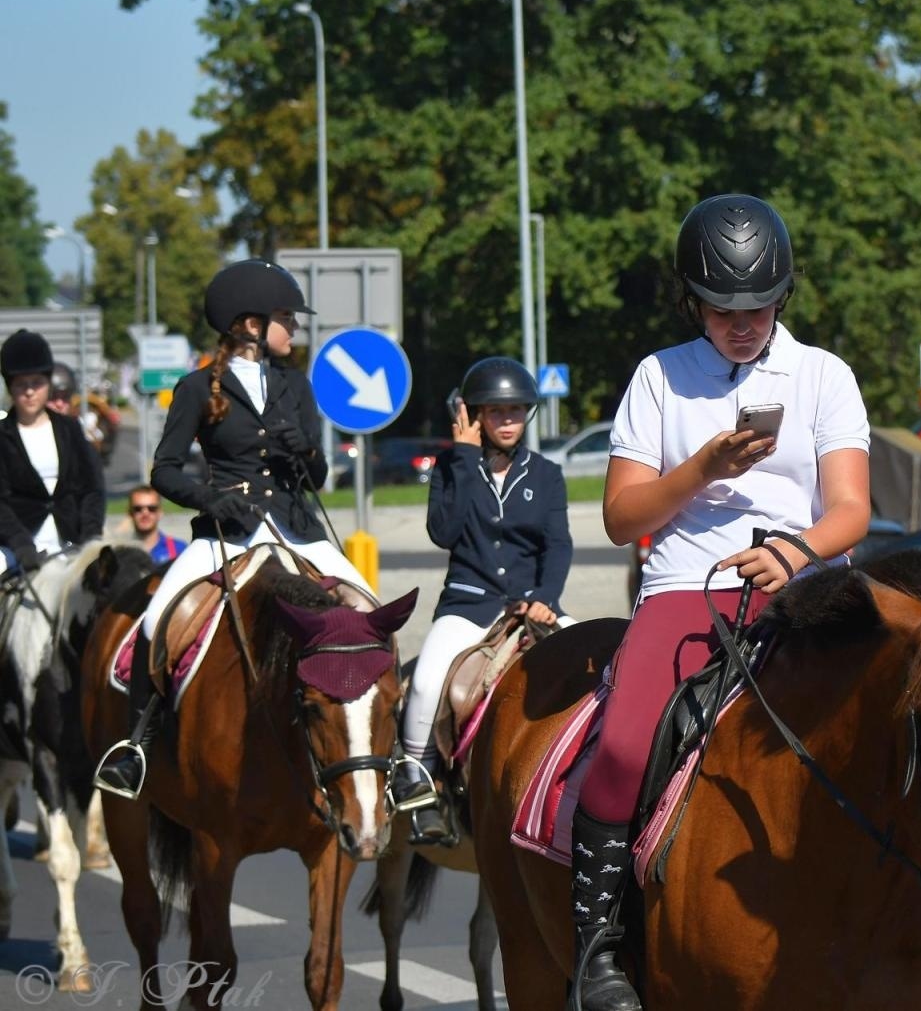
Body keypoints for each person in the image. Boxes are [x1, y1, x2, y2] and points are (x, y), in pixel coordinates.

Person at [566, 194, 870, 1011]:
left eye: (759, 306)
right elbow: (622, 515)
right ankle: (596, 948)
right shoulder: (658, 376)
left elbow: (850, 508)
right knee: (626, 747)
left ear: (784, 296)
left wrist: (793, 552)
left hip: (806, 584)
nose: (743, 323)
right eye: (724, 309)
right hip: (688, 585)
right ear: (691, 302)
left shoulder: (823, 375)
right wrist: (705, 467)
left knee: (914, 710)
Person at [94, 258, 377, 800]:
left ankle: (388, 757)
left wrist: (307, 448)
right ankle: (137, 746)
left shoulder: (297, 386)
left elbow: (317, 477)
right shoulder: (197, 387)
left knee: (369, 610)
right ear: (250, 325)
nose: (294, 327)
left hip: (296, 530)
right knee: (159, 619)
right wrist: (213, 501)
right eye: (285, 317)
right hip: (229, 532)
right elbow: (165, 471)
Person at [392, 356, 574, 843]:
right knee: (428, 680)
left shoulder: (547, 474)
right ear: (474, 416)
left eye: (516, 411)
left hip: (533, 604)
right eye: (497, 412)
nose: (509, 420)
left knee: (592, 662)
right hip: (468, 606)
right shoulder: (452, 469)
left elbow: (558, 545)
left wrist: (545, 597)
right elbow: (444, 531)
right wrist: (465, 458)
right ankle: (416, 778)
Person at [0, 331, 105, 575]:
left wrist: (90, 538)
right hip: (15, 547)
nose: (29, 392)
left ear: (47, 384)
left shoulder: (71, 429)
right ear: (10, 387)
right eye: (21, 384)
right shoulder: (2, 436)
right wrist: (21, 545)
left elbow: (92, 489)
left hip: (70, 539)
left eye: (36, 383)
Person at [126, 484, 186, 566]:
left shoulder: (178, 549)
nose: (145, 513)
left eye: (151, 509)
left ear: (160, 512)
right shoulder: (122, 553)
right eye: (138, 509)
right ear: (130, 513)